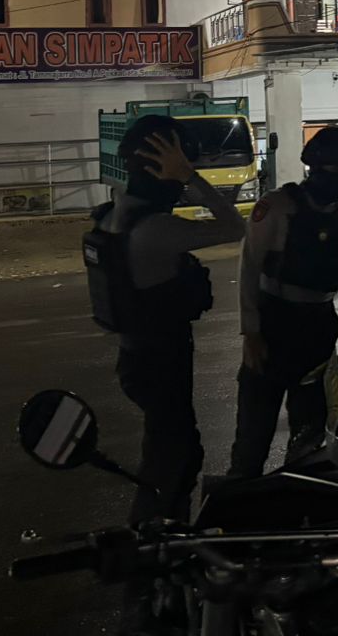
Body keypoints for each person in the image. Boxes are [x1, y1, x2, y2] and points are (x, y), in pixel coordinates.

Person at [84, 114, 245, 524]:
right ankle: (155, 541)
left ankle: (157, 533)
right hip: (161, 360)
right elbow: (235, 227)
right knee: (175, 459)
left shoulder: (113, 215)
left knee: (166, 451)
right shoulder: (157, 229)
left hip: (136, 358)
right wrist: (191, 176)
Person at [227, 126, 338, 478]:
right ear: (314, 167)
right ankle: (237, 503)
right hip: (274, 326)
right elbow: (249, 268)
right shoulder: (277, 207)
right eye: (332, 169)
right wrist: (251, 333)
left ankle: (300, 504)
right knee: (252, 441)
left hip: (319, 329)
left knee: (310, 441)